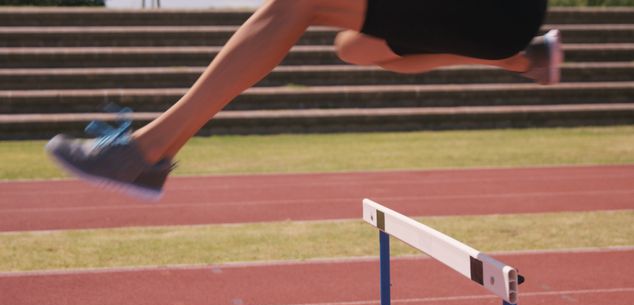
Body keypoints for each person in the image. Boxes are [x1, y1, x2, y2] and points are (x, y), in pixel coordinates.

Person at [46, 0, 562, 200]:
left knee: (298, 1)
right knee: (357, 48)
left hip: (499, 7)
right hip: (503, 20)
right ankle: (523, 59)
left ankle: (142, 151)